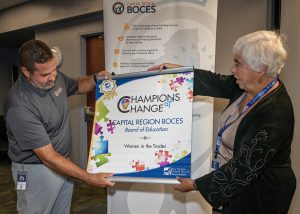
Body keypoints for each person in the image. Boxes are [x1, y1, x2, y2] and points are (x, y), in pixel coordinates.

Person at [148, 30, 296, 214]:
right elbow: (214, 82)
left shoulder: (274, 112)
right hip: (238, 185)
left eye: (238, 64)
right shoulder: (246, 85)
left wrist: (196, 185)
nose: (232, 70)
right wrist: (179, 72)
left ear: (261, 69)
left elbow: (244, 167)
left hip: (261, 194)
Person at [3, 39, 114, 214]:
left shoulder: (54, 77)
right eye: (45, 74)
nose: (53, 77)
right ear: (25, 72)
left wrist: (94, 79)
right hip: (36, 171)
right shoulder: (20, 105)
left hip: (62, 163)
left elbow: (77, 85)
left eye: (54, 69)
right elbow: (48, 157)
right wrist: (89, 178)